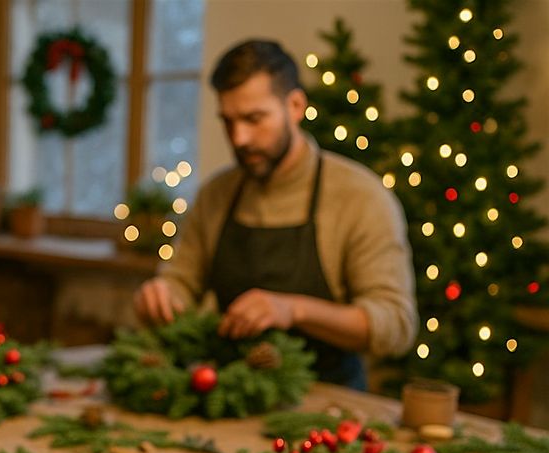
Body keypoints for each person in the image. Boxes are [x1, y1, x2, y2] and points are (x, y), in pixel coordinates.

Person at [134, 39, 416, 388]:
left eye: (254, 119)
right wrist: (161, 296)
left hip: (328, 408)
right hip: (231, 392)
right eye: (229, 122)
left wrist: (293, 310)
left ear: (295, 106)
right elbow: (181, 280)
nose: (239, 138)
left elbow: (396, 325)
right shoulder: (217, 194)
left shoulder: (360, 197)